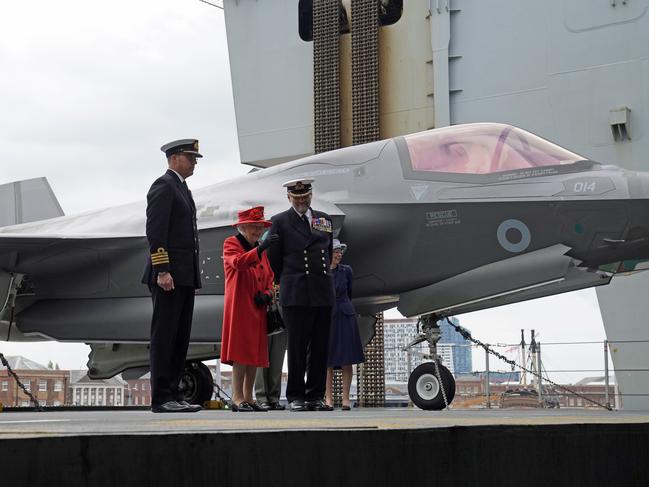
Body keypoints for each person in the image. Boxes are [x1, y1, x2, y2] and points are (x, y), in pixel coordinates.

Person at [142, 139, 203, 413]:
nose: (194, 163)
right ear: (175, 157)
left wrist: (191, 277)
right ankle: (162, 397)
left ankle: (175, 393)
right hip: (168, 275)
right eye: (191, 157)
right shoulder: (163, 186)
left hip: (183, 276)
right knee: (165, 336)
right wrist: (163, 270)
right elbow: (156, 231)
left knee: (180, 337)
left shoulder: (182, 188)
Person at [267, 178, 335, 412]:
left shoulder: (324, 220)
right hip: (295, 291)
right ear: (289, 198)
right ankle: (296, 395)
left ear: (311, 196)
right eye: (296, 198)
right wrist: (281, 283)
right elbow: (274, 259)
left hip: (322, 290)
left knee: (320, 347)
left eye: (305, 197)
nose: (301, 201)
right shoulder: (279, 222)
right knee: (297, 346)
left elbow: (326, 252)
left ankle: (315, 395)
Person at [221, 206, 278, 412]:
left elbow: (270, 276)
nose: (257, 231)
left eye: (260, 227)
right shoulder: (232, 243)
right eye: (254, 227)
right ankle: (237, 398)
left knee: (254, 352)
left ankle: (249, 397)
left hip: (258, 306)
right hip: (240, 305)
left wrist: (268, 293)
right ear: (243, 227)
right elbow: (237, 263)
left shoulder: (259, 248)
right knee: (240, 351)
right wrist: (260, 249)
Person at [325, 239, 365, 410]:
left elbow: (349, 292)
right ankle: (328, 399)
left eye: (340, 251)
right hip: (328, 315)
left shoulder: (347, 271)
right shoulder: (323, 272)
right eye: (335, 251)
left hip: (345, 314)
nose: (339, 254)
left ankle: (346, 399)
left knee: (348, 359)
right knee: (328, 361)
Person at [255, 329, 287, 411]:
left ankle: (274, 398)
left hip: (281, 318)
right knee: (261, 359)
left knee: (277, 358)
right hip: (261, 317)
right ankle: (262, 397)